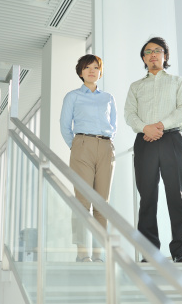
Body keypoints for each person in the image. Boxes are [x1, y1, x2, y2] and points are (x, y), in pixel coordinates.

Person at [124, 37, 182, 263]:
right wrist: (146, 129)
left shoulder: (177, 82)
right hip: (145, 142)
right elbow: (129, 115)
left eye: (158, 50)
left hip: (171, 139)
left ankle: (180, 251)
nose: (153, 54)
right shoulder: (136, 87)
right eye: (148, 51)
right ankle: (149, 252)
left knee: (176, 196)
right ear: (144, 58)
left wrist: (160, 126)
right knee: (147, 198)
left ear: (165, 56)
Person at [60, 54, 117, 262]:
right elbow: (65, 126)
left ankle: (99, 253)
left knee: (102, 203)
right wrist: (77, 147)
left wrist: (106, 145)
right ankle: (82, 253)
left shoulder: (108, 98)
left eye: (96, 67)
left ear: (100, 72)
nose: (92, 71)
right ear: (80, 72)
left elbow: (114, 125)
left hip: (105, 147)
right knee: (83, 201)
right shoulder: (72, 96)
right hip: (82, 146)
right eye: (87, 67)